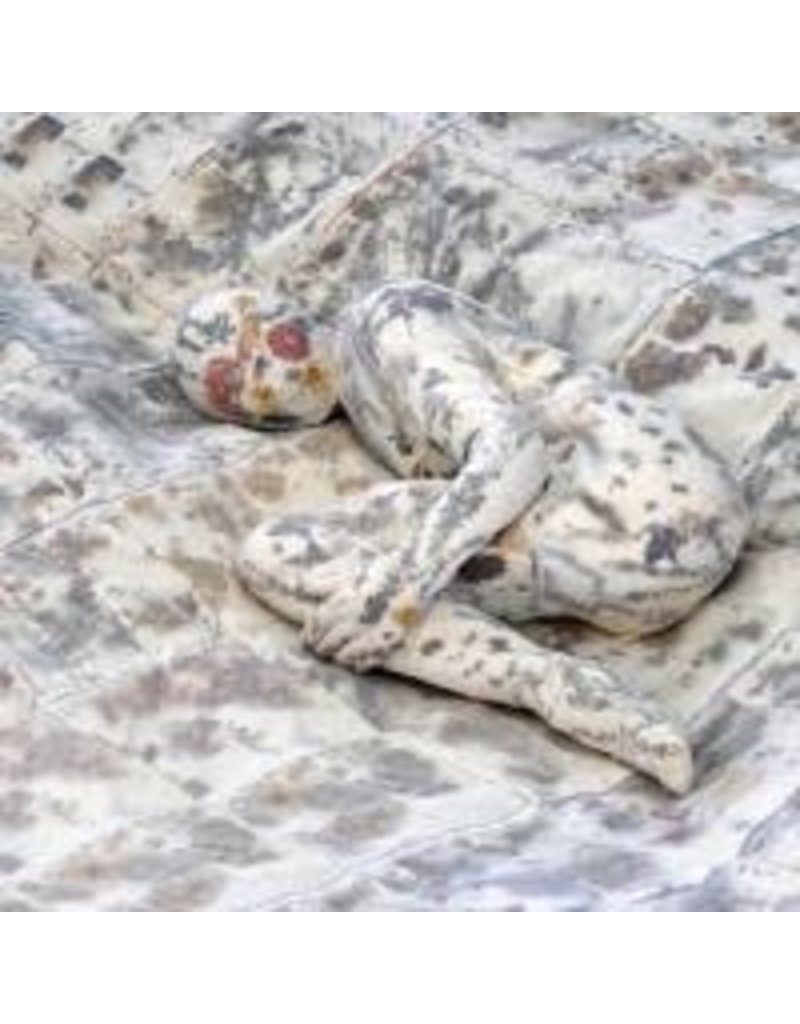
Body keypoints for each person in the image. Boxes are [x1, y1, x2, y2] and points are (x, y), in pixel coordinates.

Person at [173, 280, 750, 793]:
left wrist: (400, 586)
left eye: (265, 341)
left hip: (640, 489)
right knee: (276, 557)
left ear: (294, 314)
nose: (264, 377)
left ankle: (543, 681)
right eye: (232, 384)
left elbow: (514, 448)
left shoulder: (388, 320)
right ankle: (560, 689)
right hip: (611, 575)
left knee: (312, 560)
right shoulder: (361, 402)